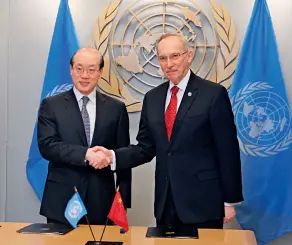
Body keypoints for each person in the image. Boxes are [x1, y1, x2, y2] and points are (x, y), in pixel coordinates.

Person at [95, 33, 243, 229]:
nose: (169, 64)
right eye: (163, 58)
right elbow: (145, 148)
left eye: (175, 56)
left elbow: (228, 151)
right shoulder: (152, 98)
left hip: (204, 204)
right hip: (166, 204)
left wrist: (229, 201)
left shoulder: (213, 95)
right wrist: (112, 156)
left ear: (188, 56)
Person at [37, 48, 132, 225]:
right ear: (71, 70)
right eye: (79, 69)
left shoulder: (116, 108)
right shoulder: (51, 105)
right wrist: (86, 154)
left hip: (102, 201)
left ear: (100, 72)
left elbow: (123, 156)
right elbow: (47, 146)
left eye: (91, 69)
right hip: (62, 199)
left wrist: (123, 200)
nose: (85, 75)